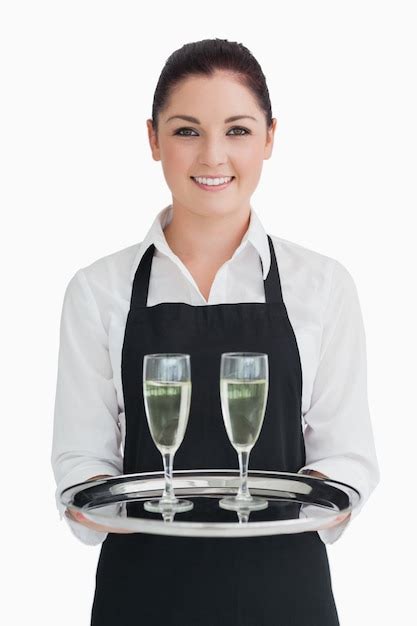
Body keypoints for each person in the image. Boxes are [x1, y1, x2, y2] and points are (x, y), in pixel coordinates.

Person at [51, 38, 380, 625]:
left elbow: (348, 458)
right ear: (153, 139)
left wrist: (319, 493)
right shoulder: (97, 290)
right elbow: (82, 462)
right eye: (185, 131)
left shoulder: (322, 285)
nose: (212, 156)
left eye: (237, 130)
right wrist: (94, 500)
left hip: (287, 596)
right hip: (142, 597)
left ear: (270, 138)